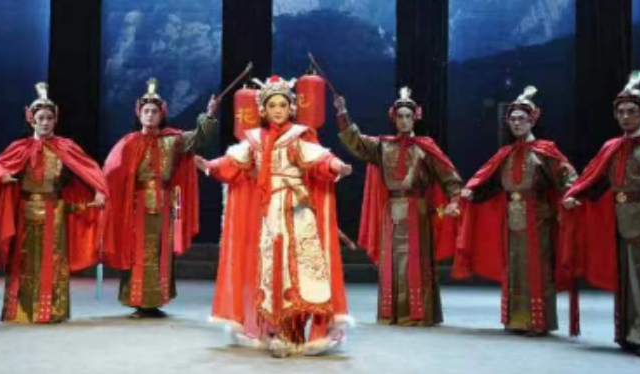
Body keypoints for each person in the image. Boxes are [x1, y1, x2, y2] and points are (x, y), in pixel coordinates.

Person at [198, 76, 352, 357]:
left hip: (297, 210)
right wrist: (210, 165)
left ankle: (294, 331)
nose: (278, 110)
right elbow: (234, 162)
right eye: (272, 106)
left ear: (291, 108)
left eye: (283, 104)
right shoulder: (255, 140)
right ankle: (275, 329)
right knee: (270, 268)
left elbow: (319, 160)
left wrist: (337, 165)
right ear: (263, 110)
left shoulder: (298, 136)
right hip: (269, 213)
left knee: (297, 269)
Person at [562, 71, 640, 357]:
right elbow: (594, 180)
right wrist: (575, 196)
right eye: (621, 112)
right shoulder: (612, 147)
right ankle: (631, 333)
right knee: (627, 277)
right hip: (618, 220)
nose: (626, 116)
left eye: (632, 111)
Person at [454, 86, 579, 336]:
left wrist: (570, 194)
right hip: (511, 219)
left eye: (522, 119)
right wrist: (473, 193)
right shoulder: (505, 154)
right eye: (513, 119)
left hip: (538, 220)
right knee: (514, 267)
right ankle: (516, 319)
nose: (517, 123)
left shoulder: (546, 152)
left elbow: (567, 176)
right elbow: (489, 183)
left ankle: (538, 322)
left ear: (532, 121)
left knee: (537, 268)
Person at [334, 87, 463, 326]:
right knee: (391, 262)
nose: (404, 120)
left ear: (415, 118)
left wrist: (455, 200)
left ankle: (418, 314)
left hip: (419, 211)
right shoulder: (383, 146)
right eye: (400, 116)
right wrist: (343, 112)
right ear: (394, 119)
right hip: (391, 211)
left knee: (416, 262)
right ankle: (391, 313)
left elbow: (449, 176)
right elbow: (357, 142)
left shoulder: (426, 147)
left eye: (408, 116)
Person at [103, 79, 218, 318]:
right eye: (146, 111)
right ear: (139, 113)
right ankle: (139, 301)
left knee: (160, 251)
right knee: (138, 252)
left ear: (161, 114)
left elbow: (198, 138)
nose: (150, 115)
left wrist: (208, 115)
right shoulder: (129, 142)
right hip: (136, 207)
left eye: (154, 111)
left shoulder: (173, 139)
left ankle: (156, 300)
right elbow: (112, 172)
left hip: (164, 204)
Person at [0, 82, 108, 324]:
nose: (45, 122)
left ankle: (52, 311)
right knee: (23, 259)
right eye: (40, 118)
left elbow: (89, 169)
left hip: (54, 210)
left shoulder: (65, 147)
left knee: (53, 259)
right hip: (24, 210)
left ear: (55, 120)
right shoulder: (20, 147)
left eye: (49, 118)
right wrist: (1, 176)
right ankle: (20, 311)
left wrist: (99, 190)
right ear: (31, 120)